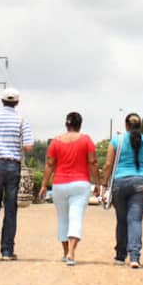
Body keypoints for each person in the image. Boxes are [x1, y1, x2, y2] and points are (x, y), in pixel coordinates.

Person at [38, 111, 101, 266]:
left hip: (59, 184)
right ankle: (72, 253)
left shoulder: (55, 142)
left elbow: (50, 164)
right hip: (80, 184)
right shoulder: (86, 140)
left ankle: (66, 252)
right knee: (76, 217)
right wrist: (98, 183)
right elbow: (93, 162)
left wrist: (44, 184)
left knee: (63, 219)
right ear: (80, 125)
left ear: (66, 124)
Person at [0, 87, 33, 260]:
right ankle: (7, 251)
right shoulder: (22, 120)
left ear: (1, 101)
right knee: (10, 207)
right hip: (13, 167)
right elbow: (29, 147)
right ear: (17, 102)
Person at [102, 113, 143, 268]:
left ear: (126, 125)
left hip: (119, 183)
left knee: (121, 220)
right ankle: (134, 257)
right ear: (140, 125)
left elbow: (108, 165)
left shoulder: (116, 141)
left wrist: (104, 185)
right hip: (142, 184)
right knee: (135, 220)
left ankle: (120, 256)